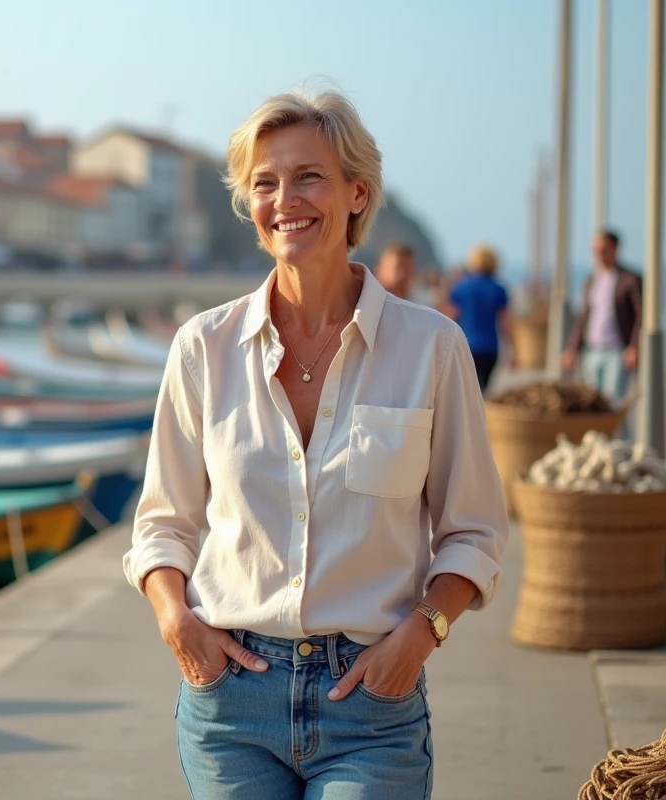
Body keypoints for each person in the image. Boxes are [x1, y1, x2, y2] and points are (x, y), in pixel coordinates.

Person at [123, 88, 508, 800]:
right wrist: (176, 621)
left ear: (357, 193)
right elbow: (162, 523)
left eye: (308, 176)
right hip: (230, 703)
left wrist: (420, 636)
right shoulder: (202, 348)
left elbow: (475, 530)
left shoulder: (432, 348)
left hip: (371, 698)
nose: (283, 199)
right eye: (263, 182)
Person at [562, 230, 643, 403]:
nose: (597, 254)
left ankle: (617, 432)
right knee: (593, 403)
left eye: (602, 249)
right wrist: (572, 348)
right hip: (592, 350)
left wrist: (634, 346)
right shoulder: (591, 280)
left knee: (614, 403)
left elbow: (640, 315)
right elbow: (583, 317)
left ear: (614, 249)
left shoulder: (630, 279)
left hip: (617, 351)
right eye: (595, 250)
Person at [447, 245, 511, 392]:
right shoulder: (498, 289)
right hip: (490, 347)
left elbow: (450, 317)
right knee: (483, 391)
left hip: (465, 345)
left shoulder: (460, 287)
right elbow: (505, 322)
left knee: (465, 391)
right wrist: (514, 350)